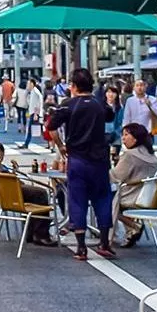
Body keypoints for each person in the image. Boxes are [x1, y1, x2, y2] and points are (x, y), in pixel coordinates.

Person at [48, 68, 115, 261]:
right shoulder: (99, 104)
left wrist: (61, 146)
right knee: (103, 198)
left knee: (77, 200)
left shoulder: (67, 105)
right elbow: (110, 116)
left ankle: (81, 247)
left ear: (74, 86)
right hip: (100, 160)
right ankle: (104, 243)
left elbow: (51, 127)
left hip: (77, 159)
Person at [110, 123, 157, 247]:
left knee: (105, 200)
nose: (123, 138)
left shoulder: (130, 155)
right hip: (149, 196)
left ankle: (131, 228)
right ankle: (131, 230)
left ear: (136, 138)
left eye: (126, 135)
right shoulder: (151, 155)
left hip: (132, 196)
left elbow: (115, 176)